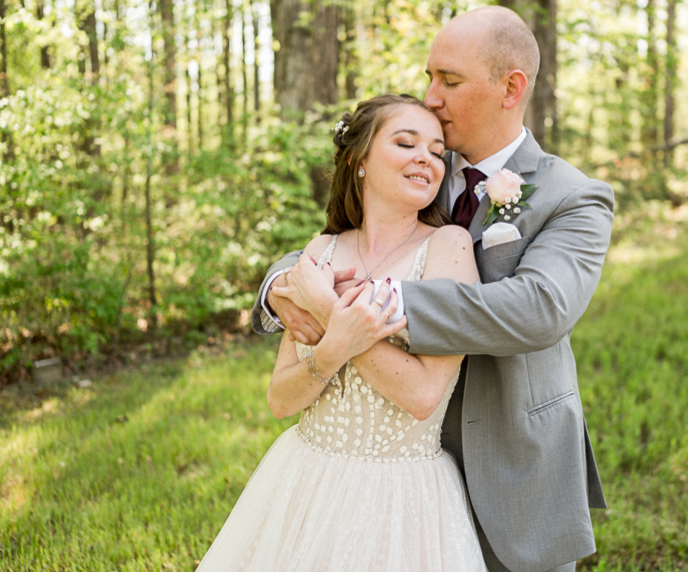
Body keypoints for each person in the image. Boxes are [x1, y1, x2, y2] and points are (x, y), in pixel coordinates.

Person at [256, 6, 614, 572]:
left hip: (512, 451)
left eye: (448, 80)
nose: (431, 96)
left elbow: (540, 310)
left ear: (510, 88)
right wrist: (280, 281)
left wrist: (372, 301)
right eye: (429, 77)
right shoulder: (420, 162)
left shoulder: (572, 196)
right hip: (401, 464)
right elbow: (341, 237)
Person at [196, 94, 489, 571]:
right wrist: (332, 349)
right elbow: (281, 401)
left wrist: (329, 309)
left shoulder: (448, 247)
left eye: (438, 151)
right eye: (406, 142)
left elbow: (422, 397)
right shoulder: (323, 249)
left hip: (402, 494)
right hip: (305, 478)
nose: (427, 159)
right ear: (360, 160)